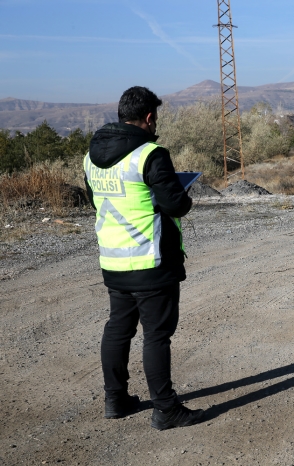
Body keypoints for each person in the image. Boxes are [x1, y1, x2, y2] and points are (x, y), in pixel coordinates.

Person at [84, 86, 203, 430]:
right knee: (156, 336)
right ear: (149, 118)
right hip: (151, 261)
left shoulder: (89, 156)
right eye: (156, 119)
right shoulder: (151, 153)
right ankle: (165, 409)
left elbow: (98, 200)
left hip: (113, 259)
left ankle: (115, 399)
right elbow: (176, 205)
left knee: (118, 329)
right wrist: (180, 194)